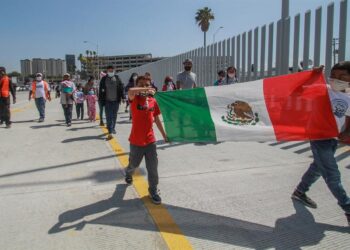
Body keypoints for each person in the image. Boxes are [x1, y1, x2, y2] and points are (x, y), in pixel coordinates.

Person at [292, 62, 350, 226]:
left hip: (332, 138)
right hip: (319, 137)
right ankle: (347, 207)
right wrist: (311, 75)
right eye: (334, 76)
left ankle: (300, 191)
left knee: (318, 166)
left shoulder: (348, 96)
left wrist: (346, 132)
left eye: (342, 77)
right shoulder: (323, 89)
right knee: (332, 174)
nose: (336, 80)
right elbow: (298, 90)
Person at [124, 75, 168, 205]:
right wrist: (144, 88)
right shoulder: (134, 99)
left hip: (150, 141)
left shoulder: (153, 101)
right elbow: (131, 91)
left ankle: (153, 190)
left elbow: (157, 119)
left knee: (153, 167)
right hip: (136, 141)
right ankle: (128, 173)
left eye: (146, 84)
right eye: (141, 84)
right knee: (134, 165)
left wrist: (164, 135)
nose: (144, 87)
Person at [98, 65, 125, 139]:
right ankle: (110, 130)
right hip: (107, 101)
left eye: (111, 70)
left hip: (116, 101)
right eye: (109, 71)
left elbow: (121, 88)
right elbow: (100, 90)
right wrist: (100, 100)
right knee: (108, 116)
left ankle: (113, 128)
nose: (110, 72)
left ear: (114, 70)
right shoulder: (103, 79)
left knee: (114, 115)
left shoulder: (117, 78)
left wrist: (123, 97)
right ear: (107, 71)